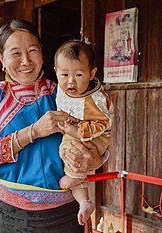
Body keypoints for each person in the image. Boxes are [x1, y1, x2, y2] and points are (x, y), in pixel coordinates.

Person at [0, 19, 107, 233]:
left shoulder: (63, 94)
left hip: (65, 215)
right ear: (1, 59)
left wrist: (96, 158)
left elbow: (97, 136)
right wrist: (33, 132)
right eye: (15, 53)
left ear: (42, 53)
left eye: (32, 51)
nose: (26, 61)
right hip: (11, 215)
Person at [54, 40, 114, 226]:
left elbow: (103, 122)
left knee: (75, 154)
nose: (70, 81)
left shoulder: (95, 99)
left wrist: (77, 130)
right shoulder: (61, 89)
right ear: (55, 71)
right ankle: (84, 202)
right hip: (75, 133)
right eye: (64, 74)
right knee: (69, 153)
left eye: (79, 74)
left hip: (95, 137)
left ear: (92, 74)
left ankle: (75, 180)